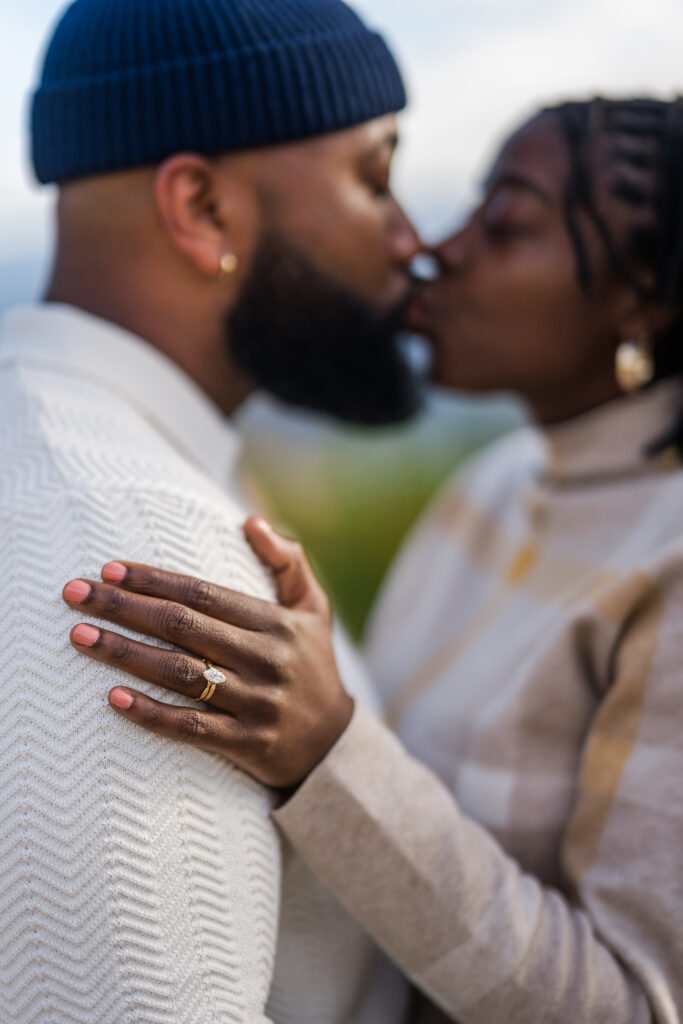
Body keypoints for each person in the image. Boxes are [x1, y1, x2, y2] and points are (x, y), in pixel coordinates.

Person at [65, 98, 683, 1023]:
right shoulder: (493, 487)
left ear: (643, 297)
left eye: (506, 225)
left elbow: (633, 1007)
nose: (438, 249)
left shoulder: (665, 561)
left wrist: (330, 751)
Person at [0, 0, 424, 1021]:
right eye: (372, 177)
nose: (408, 239)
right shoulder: (138, 549)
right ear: (201, 208)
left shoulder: (113, 460)